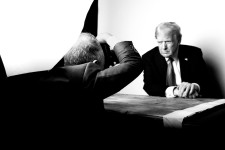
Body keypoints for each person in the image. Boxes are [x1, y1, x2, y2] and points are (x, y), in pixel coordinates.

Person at [3, 32, 143, 142]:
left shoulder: (40, 76)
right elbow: (133, 63)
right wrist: (109, 37)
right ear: (94, 63)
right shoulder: (84, 78)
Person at [142, 22, 209, 98]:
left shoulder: (194, 53)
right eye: (160, 42)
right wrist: (175, 91)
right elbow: (149, 86)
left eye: (168, 41)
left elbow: (206, 81)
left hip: (191, 101)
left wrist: (195, 86)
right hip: (163, 104)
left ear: (179, 40)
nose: (164, 47)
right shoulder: (149, 57)